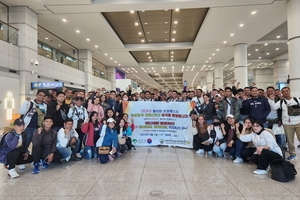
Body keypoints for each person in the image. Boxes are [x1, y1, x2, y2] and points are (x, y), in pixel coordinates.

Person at [276, 87, 300, 160]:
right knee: (290, 140)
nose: (286, 92)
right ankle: (292, 154)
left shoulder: (296, 100)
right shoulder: (281, 102)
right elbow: (273, 107)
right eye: (284, 91)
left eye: (287, 91)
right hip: (287, 124)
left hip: (298, 122)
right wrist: (271, 99)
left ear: (290, 91)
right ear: (282, 93)